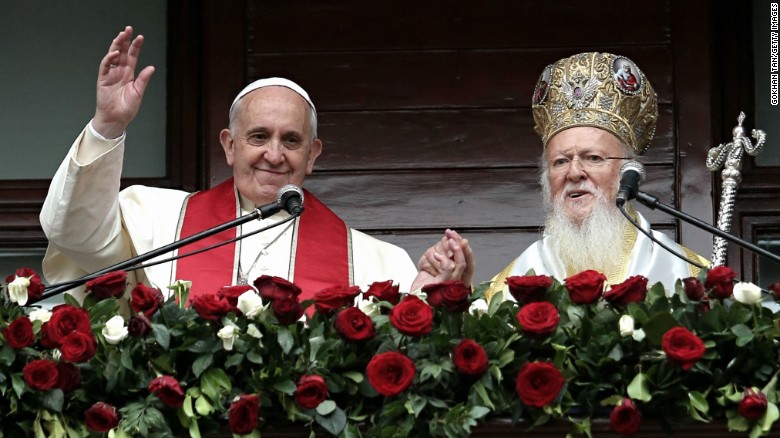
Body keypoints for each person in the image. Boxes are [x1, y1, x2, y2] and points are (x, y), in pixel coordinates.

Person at [40, 26, 472, 305]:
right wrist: (108, 126)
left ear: (312, 155)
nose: (274, 154)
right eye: (259, 137)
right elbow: (76, 235)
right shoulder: (156, 220)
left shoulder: (378, 263)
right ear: (229, 146)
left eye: (291, 141)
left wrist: (425, 296)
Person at [487, 52, 708, 300]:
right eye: (560, 162)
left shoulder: (688, 274)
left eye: (593, 158)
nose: (574, 173)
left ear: (627, 172)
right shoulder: (506, 289)